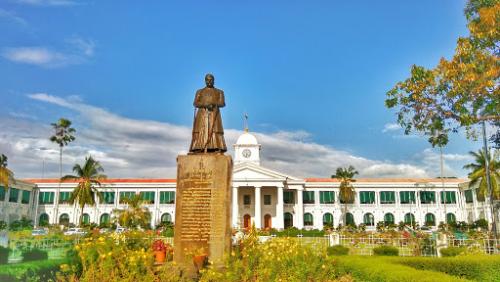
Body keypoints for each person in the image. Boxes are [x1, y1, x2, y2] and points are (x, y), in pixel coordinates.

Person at [189, 74, 227, 153]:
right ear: (205, 81)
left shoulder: (220, 92)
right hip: (202, 114)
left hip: (214, 113)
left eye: (211, 80)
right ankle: (199, 147)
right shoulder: (199, 91)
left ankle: (217, 147)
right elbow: (195, 103)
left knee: (215, 130)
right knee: (201, 130)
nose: (209, 81)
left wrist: (213, 103)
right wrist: (205, 104)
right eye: (207, 80)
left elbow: (222, 103)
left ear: (214, 81)